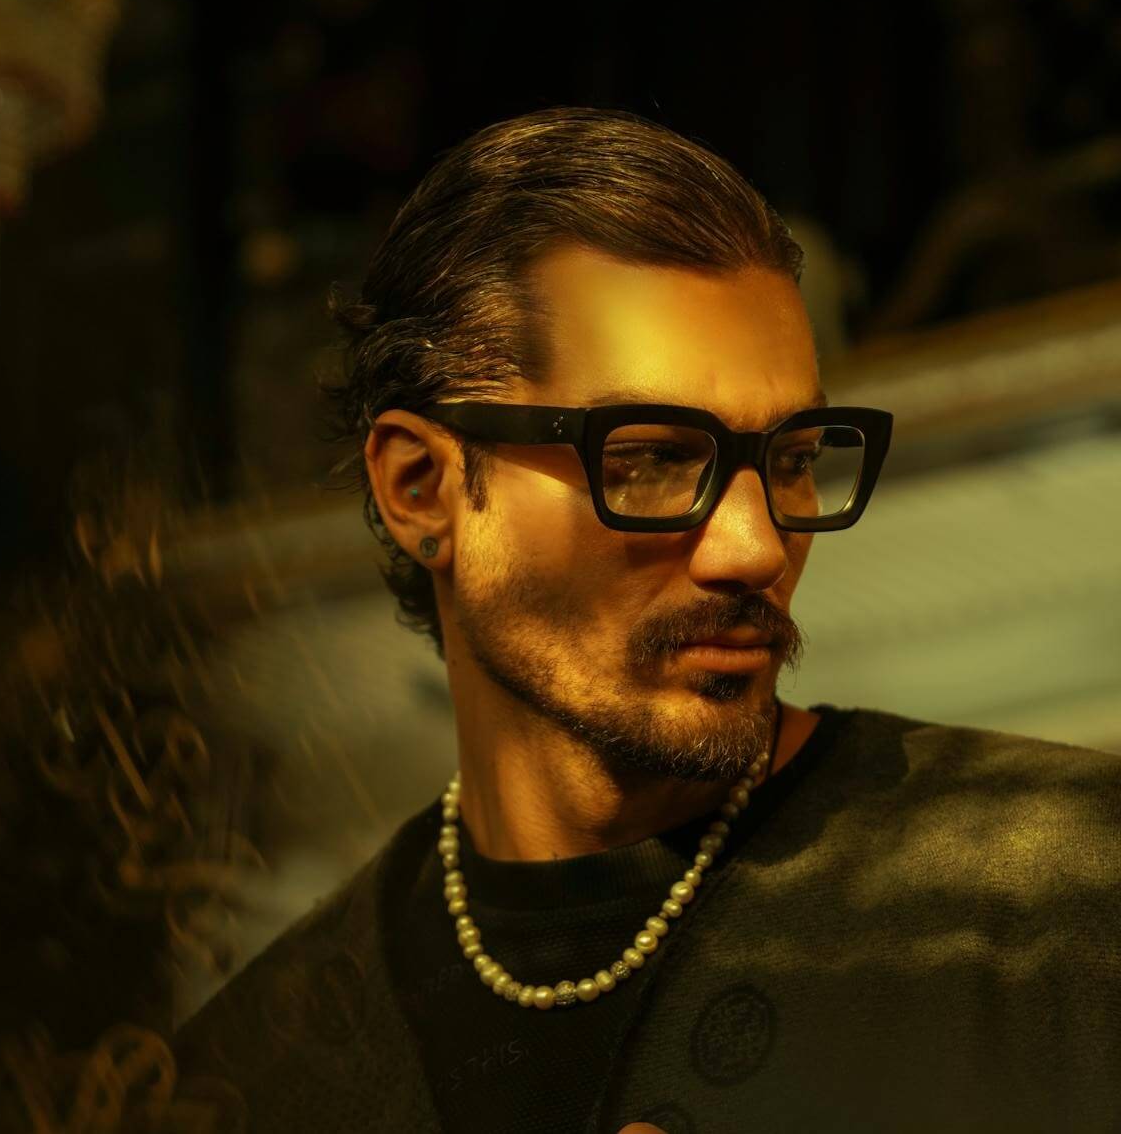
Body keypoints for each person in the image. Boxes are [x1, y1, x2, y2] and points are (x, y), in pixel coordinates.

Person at [171, 108, 1121, 1133]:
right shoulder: (252, 1074)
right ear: (421, 488)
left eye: (793, 459)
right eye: (651, 459)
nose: (754, 547)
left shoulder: (1065, 900)